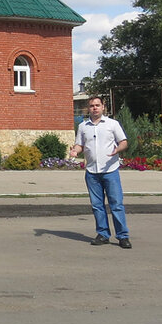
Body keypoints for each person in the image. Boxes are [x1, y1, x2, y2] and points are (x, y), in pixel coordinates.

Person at [69, 95, 131, 249]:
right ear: (88, 109)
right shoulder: (83, 126)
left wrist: (118, 149)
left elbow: (123, 142)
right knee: (97, 205)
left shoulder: (112, 124)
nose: (95, 108)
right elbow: (80, 145)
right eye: (91, 106)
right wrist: (75, 151)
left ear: (103, 107)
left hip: (110, 170)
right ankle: (103, 234)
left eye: (97, 105)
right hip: (92, 172)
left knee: (116, 204)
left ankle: (123, 236)